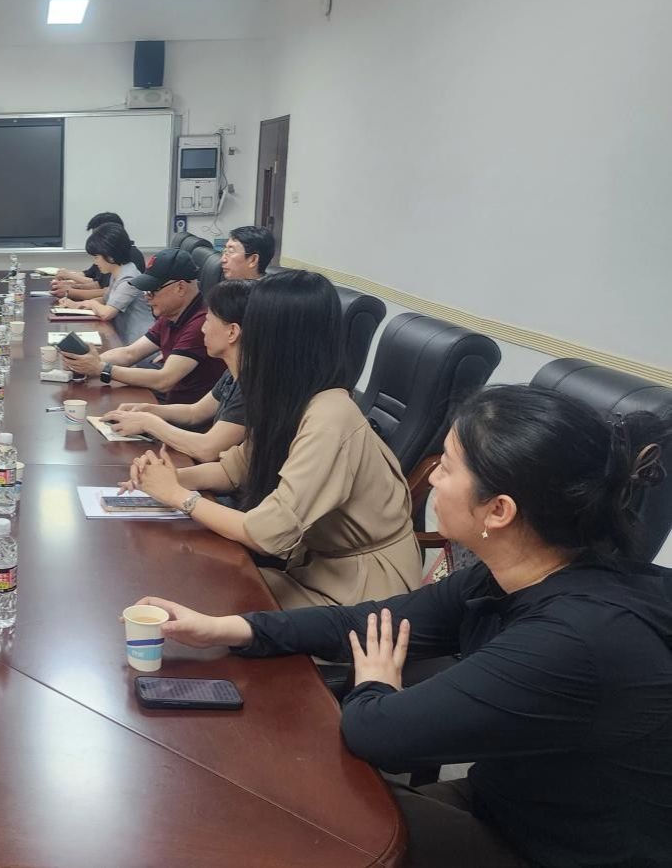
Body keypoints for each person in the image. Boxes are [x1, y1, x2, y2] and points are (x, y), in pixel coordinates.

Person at [135, 385, 672, 868]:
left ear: (499, 510)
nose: (431, 476)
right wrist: (232, 628)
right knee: (278, 796)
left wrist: (375, 682)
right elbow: (370, 620)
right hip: (510, 804)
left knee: (292, 826)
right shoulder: (510, 574)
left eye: (449, 467)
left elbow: (377, 733)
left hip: (555, 849)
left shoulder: (575, 638)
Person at [123, 271, 421, 607]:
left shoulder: (330, 416)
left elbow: (267, 533)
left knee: (199, 594)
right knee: (185, 579)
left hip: (364, 595)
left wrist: (179, 496)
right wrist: (166, 478)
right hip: (316, 570)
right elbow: (233, 470)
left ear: (276, 340)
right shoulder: (289, 400)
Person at [101, 279, 250, 462]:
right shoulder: (232, 373)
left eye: (208, 321)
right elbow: (195, 412)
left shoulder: (253, 384)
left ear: (232, 332)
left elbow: (207, 449)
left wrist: (148, 423)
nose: (203, 329)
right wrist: (148, 410)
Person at [60, 248, 225, 405]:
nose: (147, 297)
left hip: (182, 413)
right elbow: (130, 353)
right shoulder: (171, 315)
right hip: (167, 402)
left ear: (180, 287)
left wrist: (101, 368)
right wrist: (85, 362)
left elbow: (164, 380)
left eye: (152, 291)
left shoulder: (202, 323)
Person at [53, 224, 155, 352]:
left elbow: (107, 313)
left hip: (139, 345)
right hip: (124, 340)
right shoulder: (118, 273)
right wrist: (75, 305)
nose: (95, 262)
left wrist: (89, 303)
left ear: (110, 257)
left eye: (96, 257)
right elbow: (105, 299)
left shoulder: (129, 278)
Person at [50, 212, 147, 302]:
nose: (94, 239)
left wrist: (71, 291)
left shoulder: (130, 257)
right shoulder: (105, 256)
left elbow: (107, 292)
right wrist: (72, 286)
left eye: (98, 235)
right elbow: (98, 283)